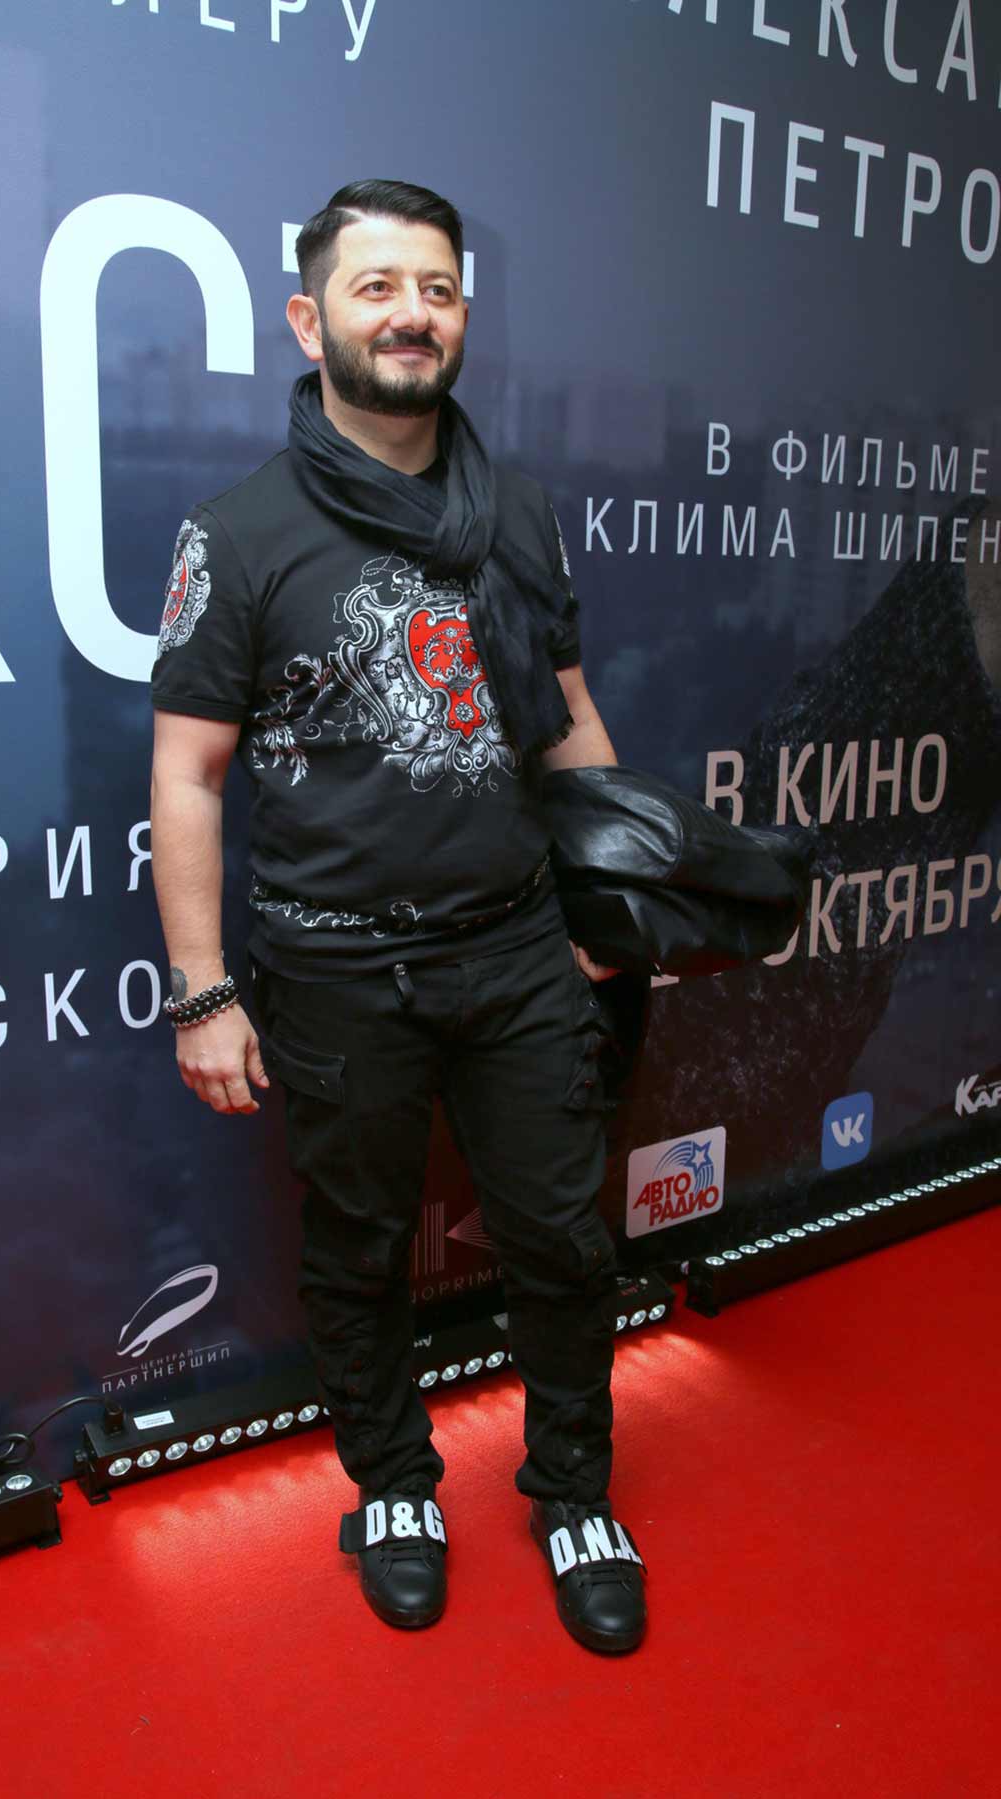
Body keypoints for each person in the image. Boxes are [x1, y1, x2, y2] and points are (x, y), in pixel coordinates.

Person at [148, 179, 647, 1653]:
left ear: (463, 318)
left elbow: (566, 720)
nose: (410, 314)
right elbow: (187, 775)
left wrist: (609, 897)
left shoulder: (521, 516)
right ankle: (393, 1487)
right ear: (310, 323)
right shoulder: (239, 533)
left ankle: (574, 1494)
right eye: (376, 288)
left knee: (562, 1239)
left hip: (517, 948)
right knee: (358, 1249)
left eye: (434, 288)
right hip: (333, 969)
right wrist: (202, 988)